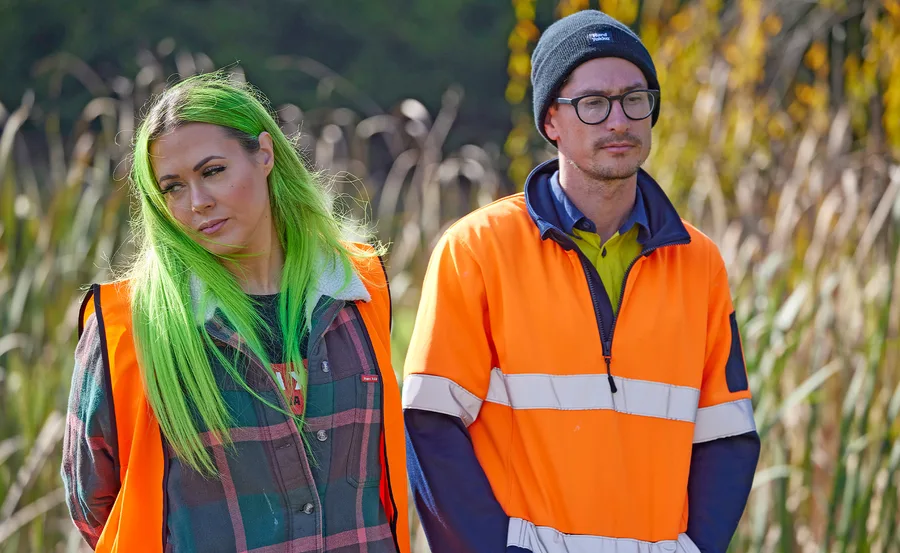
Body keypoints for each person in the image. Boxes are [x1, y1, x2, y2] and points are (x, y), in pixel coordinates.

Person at [403, 10, 760, 553]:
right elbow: (431, 424)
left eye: (634, 99)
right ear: (552, 123)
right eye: (592, 104)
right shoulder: (476, 249)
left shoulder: (700, 262)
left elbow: (727, 436)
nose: (618, 120)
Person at [61, 73, 409, 553]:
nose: (198, 203)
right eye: (173, 187)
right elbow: (92, 502)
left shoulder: (360, 290)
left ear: (264, 154)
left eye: (213, 171)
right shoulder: (128, 325)